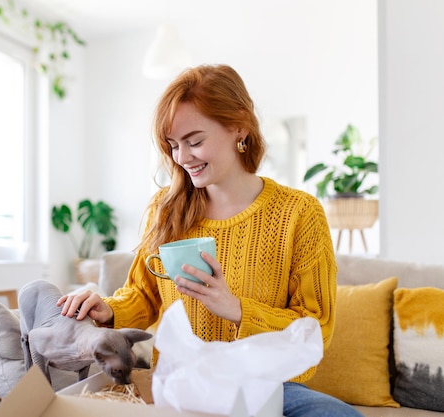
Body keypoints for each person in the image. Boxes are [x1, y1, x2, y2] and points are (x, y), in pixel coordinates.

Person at [57, 64, 363, 417]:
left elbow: (316, 327)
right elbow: (143, 294)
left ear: (239, 127)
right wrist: (107, 308)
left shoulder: (299, 213)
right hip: (183, 383)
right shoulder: (166, 208)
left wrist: (234, 308)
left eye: (195, 141)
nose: (182, 158)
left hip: (266, 384)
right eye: (173, 145)